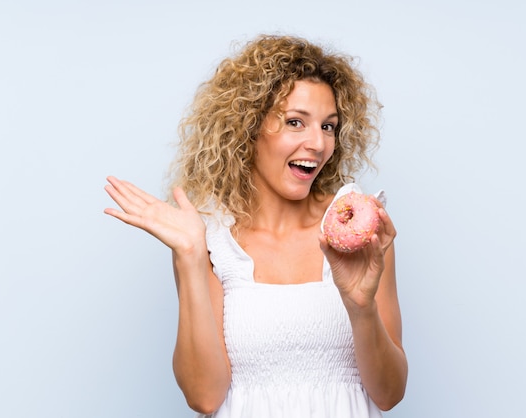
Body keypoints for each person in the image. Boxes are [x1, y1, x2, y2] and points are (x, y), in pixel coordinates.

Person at [104, 34, 407, 417]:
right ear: (248, 127)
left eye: (329, 127)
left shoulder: (361, 232)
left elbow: (389, 394)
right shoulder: (211, 240)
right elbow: (204, 397)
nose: (317, 143)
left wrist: (361, 307)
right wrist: (190, 256)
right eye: (296, 122)